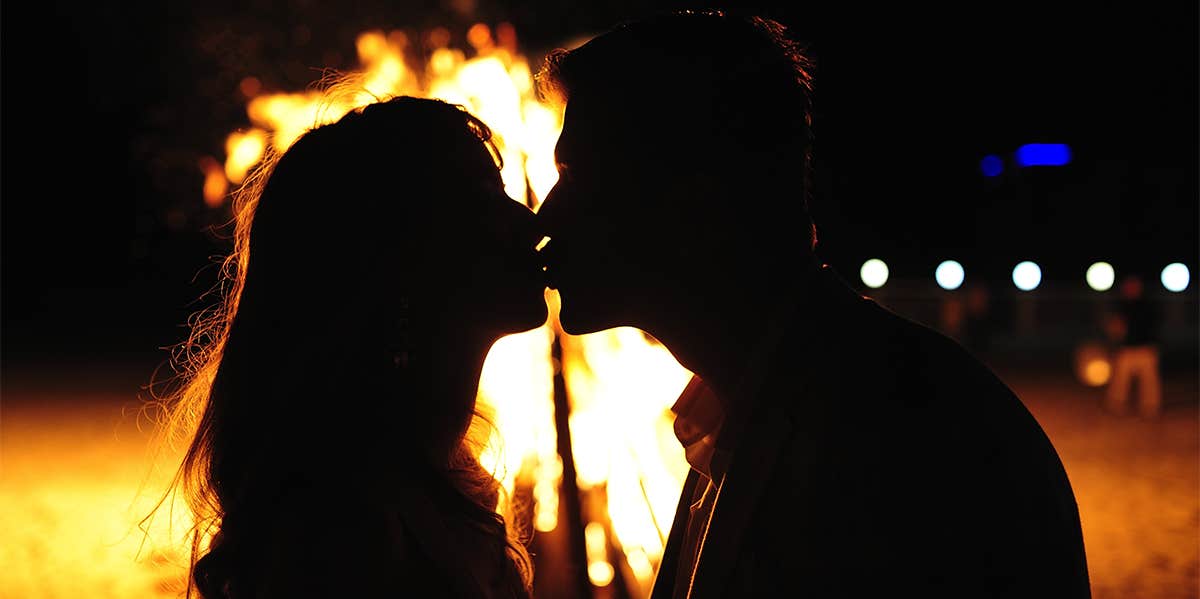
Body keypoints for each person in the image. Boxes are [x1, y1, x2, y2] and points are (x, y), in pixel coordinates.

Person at [535, 10, 1091, 598]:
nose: (546, 216)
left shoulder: (904, 447)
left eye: (575, 174)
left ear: (694, 189)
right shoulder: (750, 413)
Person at [144, 94, 545, 598]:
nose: (531, 222)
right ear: (398, 255)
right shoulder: (348, 539)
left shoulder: (439, 483)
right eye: (485, 198)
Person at [1104, 273, 1163, 417]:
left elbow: (1155, 326)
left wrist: (1155, 345)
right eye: (1128, 287)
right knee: (1120, 380)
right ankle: (1116, 405)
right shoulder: (1121, 306)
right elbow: (1115, 327)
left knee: (1149, 381)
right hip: (1126, 348)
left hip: (1145, 347)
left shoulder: (1148, 305)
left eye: (1134, 286)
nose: (1131, 289)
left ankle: (1150, 407)